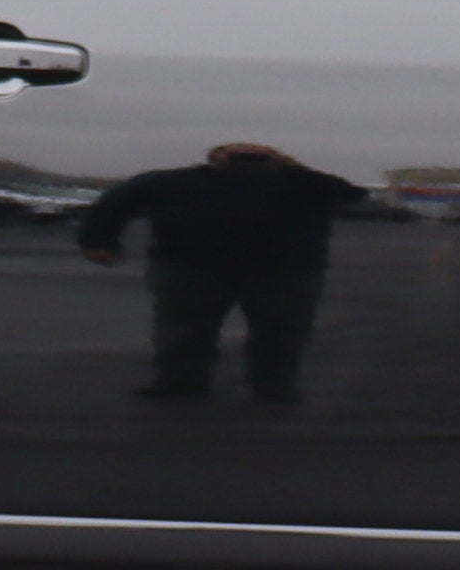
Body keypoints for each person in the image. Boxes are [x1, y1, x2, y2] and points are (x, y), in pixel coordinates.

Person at [75, 140, 368, 406]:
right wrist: (97, 241)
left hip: (284, 272)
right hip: (190, 267)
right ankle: (181, 381)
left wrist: (291, 167)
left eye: (256, 155)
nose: (247, 159)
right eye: (238, 153)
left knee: (281, 333)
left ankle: (274, 386)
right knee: (184, 330)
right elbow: (114, 204)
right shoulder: (172, 181)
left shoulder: (301, 183)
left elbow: (350, 194)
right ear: (214, 157)